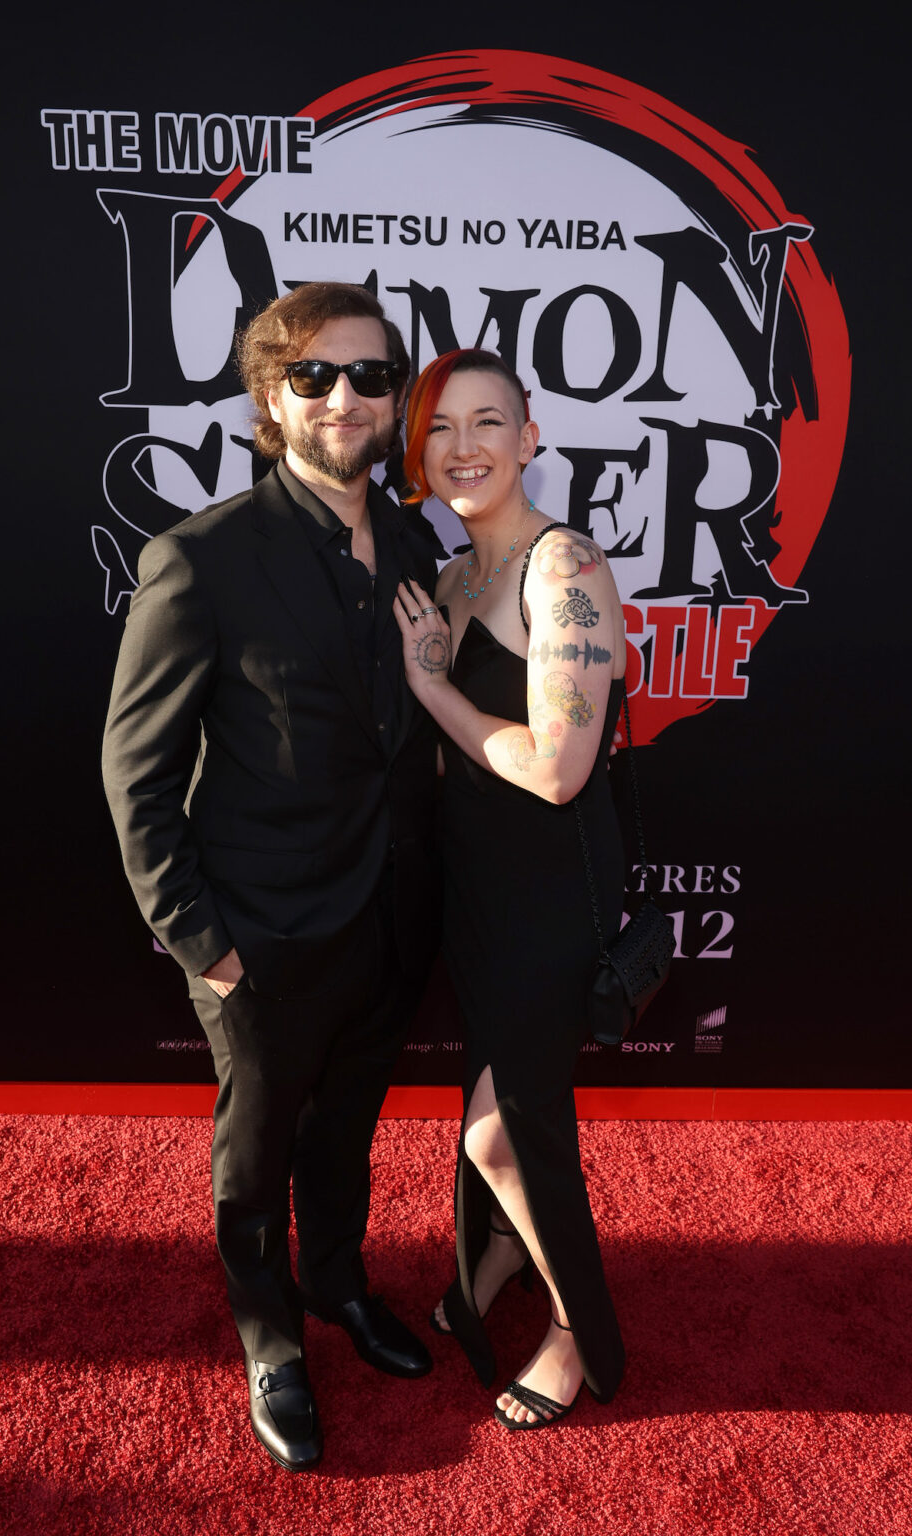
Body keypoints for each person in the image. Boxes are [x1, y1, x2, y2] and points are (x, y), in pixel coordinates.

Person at [101, 282, 446, 1472]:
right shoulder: (199, 561)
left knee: (343, 1131)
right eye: (315, 377)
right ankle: (270, 1338)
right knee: (253, 1154)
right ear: (268, 398)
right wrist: (203, 941)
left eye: (369, 376)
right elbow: (133, 775)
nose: (345, 398)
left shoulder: (411, 538)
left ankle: (339, 1286)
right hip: (259, 928)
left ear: (395, 396)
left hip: (386, 918)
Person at [392, 347, 627, 1431]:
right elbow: (456, 766)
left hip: (549, 898)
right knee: (490, 1095)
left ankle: (579, 1330)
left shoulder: (561, 569)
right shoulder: (451, 580)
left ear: (528, 440)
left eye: (487, 422)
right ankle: (487, 1261)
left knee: (504, 1127)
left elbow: (550, 767)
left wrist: (431, 686)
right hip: (476, 890)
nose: (463, 446)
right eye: (439, 427)